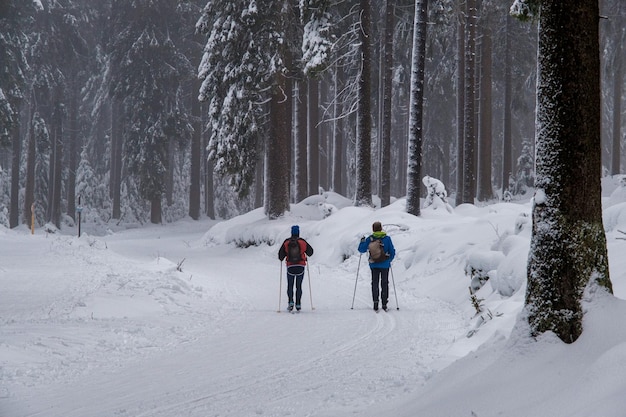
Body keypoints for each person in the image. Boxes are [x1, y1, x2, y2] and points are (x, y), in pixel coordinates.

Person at [358, 221, 395, 311]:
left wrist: (362, 242)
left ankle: (375, 302)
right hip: (385, 265)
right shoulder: (387, 238)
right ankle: (384, 304)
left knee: (375, 283)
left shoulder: (370, 239)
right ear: (381, 228)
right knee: (384, 283)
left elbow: (361, 250)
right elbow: (392, 252)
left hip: (374, 264)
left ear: (373, 229)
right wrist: (388, 260)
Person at [278, 225, 314, 312]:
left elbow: (280, 256)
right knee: (299, 286)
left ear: (291, 232)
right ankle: (298, 304)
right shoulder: (302, 242)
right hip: (300, 266)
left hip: (290, 266)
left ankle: (290, 302)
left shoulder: (286, 242)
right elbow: (311, 252)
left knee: (290, 285)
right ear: (298, 232)